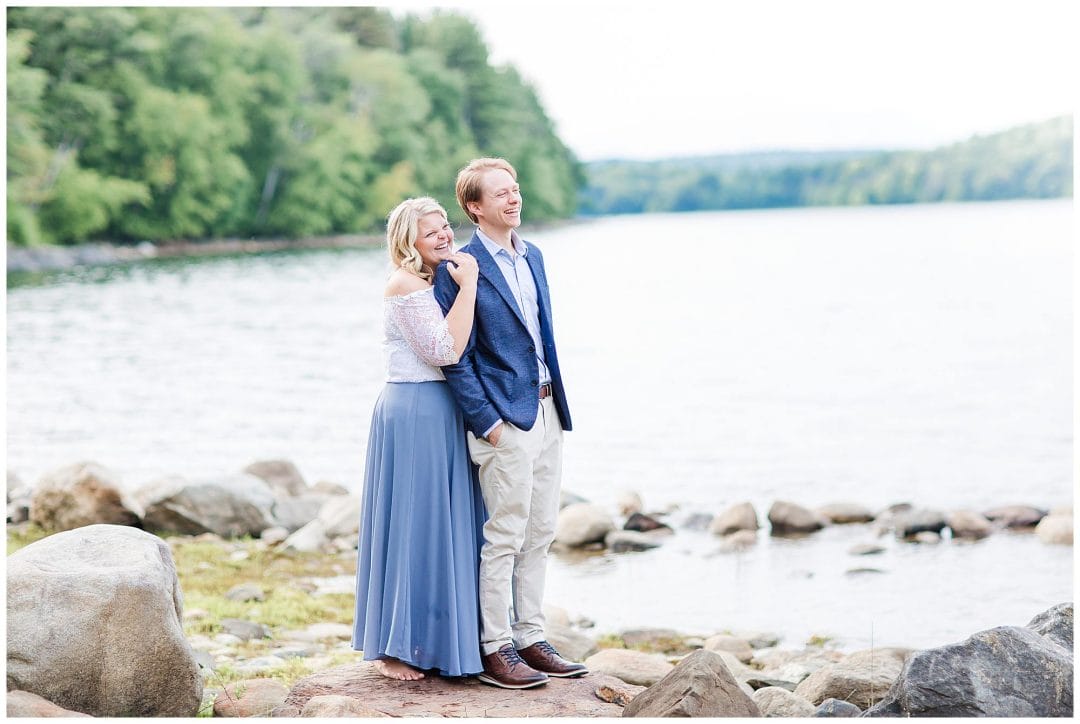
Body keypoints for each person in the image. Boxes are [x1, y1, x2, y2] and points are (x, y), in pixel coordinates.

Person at [433, 158, 588, 689]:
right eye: (500, 194)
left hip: (548, 410)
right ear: (474, 207)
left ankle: (532, 638)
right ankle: (495, 647)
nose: (513, 198)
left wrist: (554, 409)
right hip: (505, 419)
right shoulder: (459, 266)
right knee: (504, 534)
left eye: (515, 189)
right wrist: (489, 423)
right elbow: (456, 355)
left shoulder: (534, 255)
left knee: (542, 529)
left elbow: (540, 336)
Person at [352, 197, 486, 681]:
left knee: (445, 524)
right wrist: (468, 287)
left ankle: (444, 641)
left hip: (442, 410)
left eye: (445, 226)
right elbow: (444, 350)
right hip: (414, 410)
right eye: (431, 232)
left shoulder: (433, 280)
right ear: (409, 240)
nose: (444, 236)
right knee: (415, 525)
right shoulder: (404, 283)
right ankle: (394, 649)